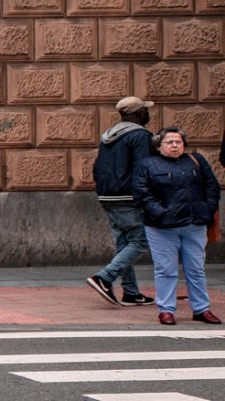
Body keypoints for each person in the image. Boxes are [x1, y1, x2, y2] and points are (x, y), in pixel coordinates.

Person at [130, 126, 220, 325]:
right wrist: (160, 213)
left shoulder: (196, 160)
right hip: (161, 228)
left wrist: (207, 210)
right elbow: (141, 193)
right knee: (166, 270)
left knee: (196, 269)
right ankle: (166, 310)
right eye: (169, 142)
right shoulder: (147, 164)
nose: (174, 145)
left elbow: (212, 187)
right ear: (158, 145)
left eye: (178, 142)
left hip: (194, 224)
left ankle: (201, 309)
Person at [88, 97, 158, 307]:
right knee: (141, 241)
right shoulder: (140, 135)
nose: (148, 113)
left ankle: (131, 292)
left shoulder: (108, 136)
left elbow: (97, 167)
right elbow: (144, 168)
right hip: (128, 196)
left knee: (124, 244)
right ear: (138, 113)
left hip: (107, 195)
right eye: (145, 110)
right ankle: (104, 277)